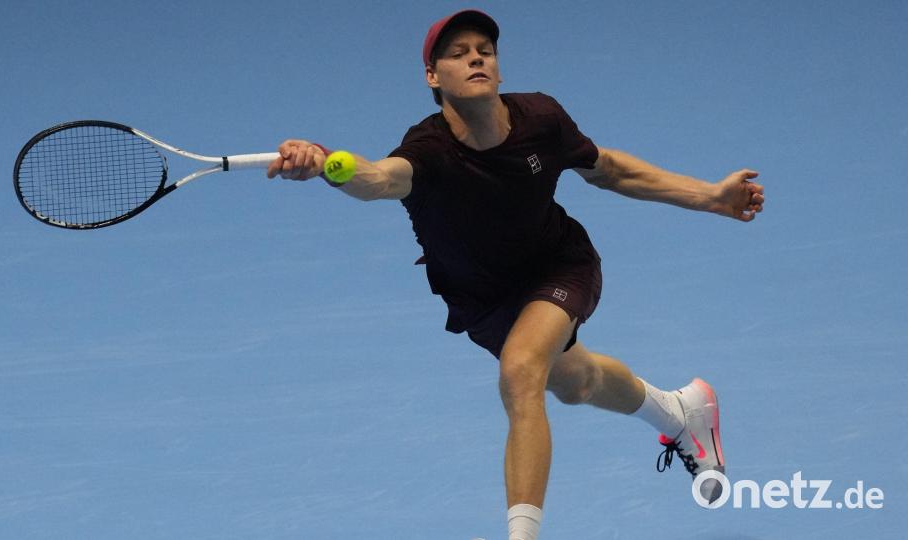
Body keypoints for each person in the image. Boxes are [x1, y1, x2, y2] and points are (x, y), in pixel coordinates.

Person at [267, 9, 764, 540]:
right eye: (458, 54)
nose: (476, 58)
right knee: (577, 382)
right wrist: (326, 162)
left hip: (558, 265)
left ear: (499, 69)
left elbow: (610, 170)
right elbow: (377, 179)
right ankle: (681, 413)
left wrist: (710, 197)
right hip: (483, 298)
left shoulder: (541, 120)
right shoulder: (429, 150)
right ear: (433, 76)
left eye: (485, 50)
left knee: (522, 370)